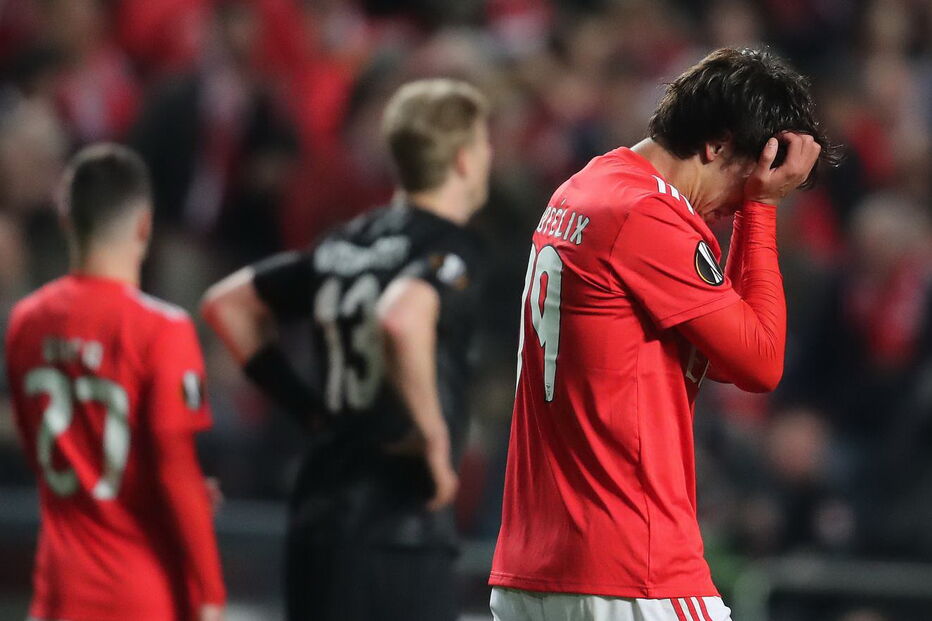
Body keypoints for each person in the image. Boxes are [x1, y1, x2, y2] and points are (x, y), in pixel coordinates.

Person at [489, 47, 837, 621]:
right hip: (629, 566)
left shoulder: (586, 188)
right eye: (743, 181)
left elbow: (721, 356)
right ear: (717, 145)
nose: (730, 207)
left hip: (537, 568)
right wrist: (762, 209)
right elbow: (760, 363)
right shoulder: (646, 214)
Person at [201, 78, 491, 621]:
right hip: (399, 525)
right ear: (463, 159)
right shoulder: (450, 246)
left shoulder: (345, 241)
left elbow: (227, 305)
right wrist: (433, 439)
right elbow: (403, 317)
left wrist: (306, 408)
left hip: (317, 519)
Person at [5, 144, 226, 621]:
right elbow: (174, 467)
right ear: (144, 225)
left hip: (56, 593)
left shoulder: (25, 321)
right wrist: (210, 594)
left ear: (66, 220)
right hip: (140, 592)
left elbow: (41, 444)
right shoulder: (163, 329)